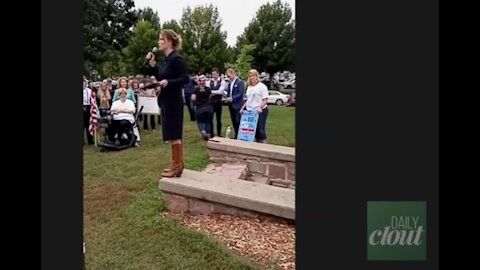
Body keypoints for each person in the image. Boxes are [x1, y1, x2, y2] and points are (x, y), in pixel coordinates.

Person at [146, 29, 189, 178]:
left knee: (174, 133)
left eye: (161, 39)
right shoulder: (167, 60)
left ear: (169, 41)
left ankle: (177, 167)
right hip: (166, 99)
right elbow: (160, 77)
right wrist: (153, 65)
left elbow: (185, 79)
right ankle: (177, 164)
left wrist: (168, 82)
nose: (158, 42)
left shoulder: (176, 59)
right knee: (171, 134)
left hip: (173, 101)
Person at [239, 69, 269, 143]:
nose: (251, 77)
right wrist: (242, 108)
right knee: (251, 130)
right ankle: (254, 144)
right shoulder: (249, 87)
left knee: (260, 129)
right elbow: (248, 100)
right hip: (250, 111)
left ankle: (263, 144)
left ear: (256, 76)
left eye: (252, 76)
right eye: (249, 76)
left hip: (260, 111)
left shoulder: (262, 86)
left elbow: (265, 99)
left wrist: (260, 107)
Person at [191, 75, 213, 140]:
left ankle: (203, 132)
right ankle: (208, 134)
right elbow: (210, 97)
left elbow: (193, 98)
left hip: (200, 107)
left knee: (200, 121)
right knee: (208, 121)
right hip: (208, 107)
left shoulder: (196, 89)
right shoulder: (208, 89)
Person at [225, 68, 245, 138]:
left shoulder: (240, 82)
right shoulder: (230, 83)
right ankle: (236, 133)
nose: (228, 77)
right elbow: (228, 92)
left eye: (229, 76)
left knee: (238, 120)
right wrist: (227, 98)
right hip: (231, 104)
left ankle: (240, 134)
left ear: (233, 73)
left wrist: (232, 98)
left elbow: (240, 93)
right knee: (233, 120)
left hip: (238, 104)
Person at [209, 67, 227, 137]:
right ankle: (211, 133)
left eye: (215, 74)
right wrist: (214, 92)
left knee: (218, 118)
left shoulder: (222, 81)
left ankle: (219, 134)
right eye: (212, 74)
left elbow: (221, 92)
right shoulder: (209, 81)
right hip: (211, 102)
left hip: (218, 102)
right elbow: (208, 91)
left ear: (218, 74)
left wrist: (212, 92)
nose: (213, 76)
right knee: (210, 118)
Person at [83, 78, 94, 145]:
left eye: (84, 82)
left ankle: (90, 140)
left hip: (88, 107)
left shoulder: (89, 91)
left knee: (89, 124)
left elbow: (92, 100)